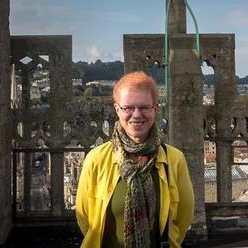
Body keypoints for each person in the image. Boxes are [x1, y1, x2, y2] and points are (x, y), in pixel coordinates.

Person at [76, 71, 194, 248]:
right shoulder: (97, 159)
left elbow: (183, 220)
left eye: (144, 107)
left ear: (155, 109)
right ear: (117, 110)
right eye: (128, 108)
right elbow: (84, 219)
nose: (137, 114)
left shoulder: (174, 159)